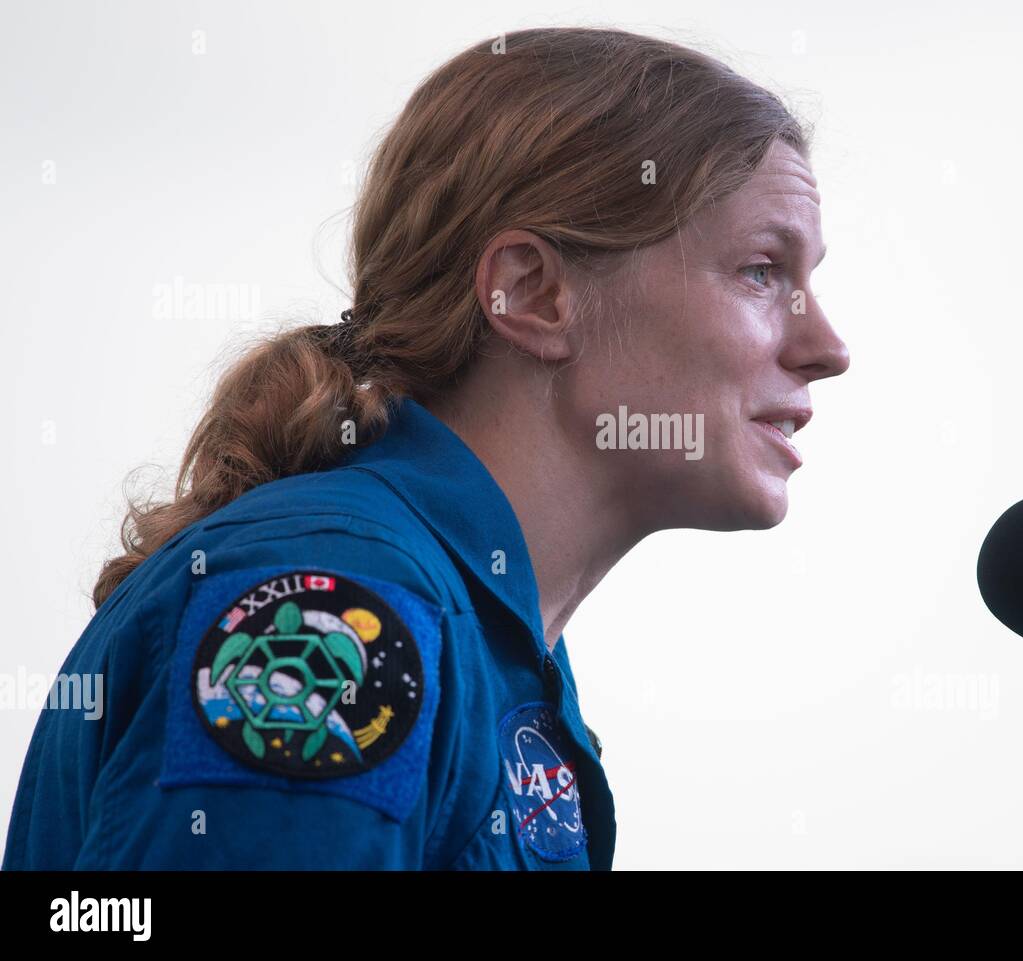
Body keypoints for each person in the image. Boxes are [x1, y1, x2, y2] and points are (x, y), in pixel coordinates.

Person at [2, 26, 849, 871]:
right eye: (762, 271)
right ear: (531, 291)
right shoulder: (341, 600)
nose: (829, 347)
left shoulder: (474, 629)